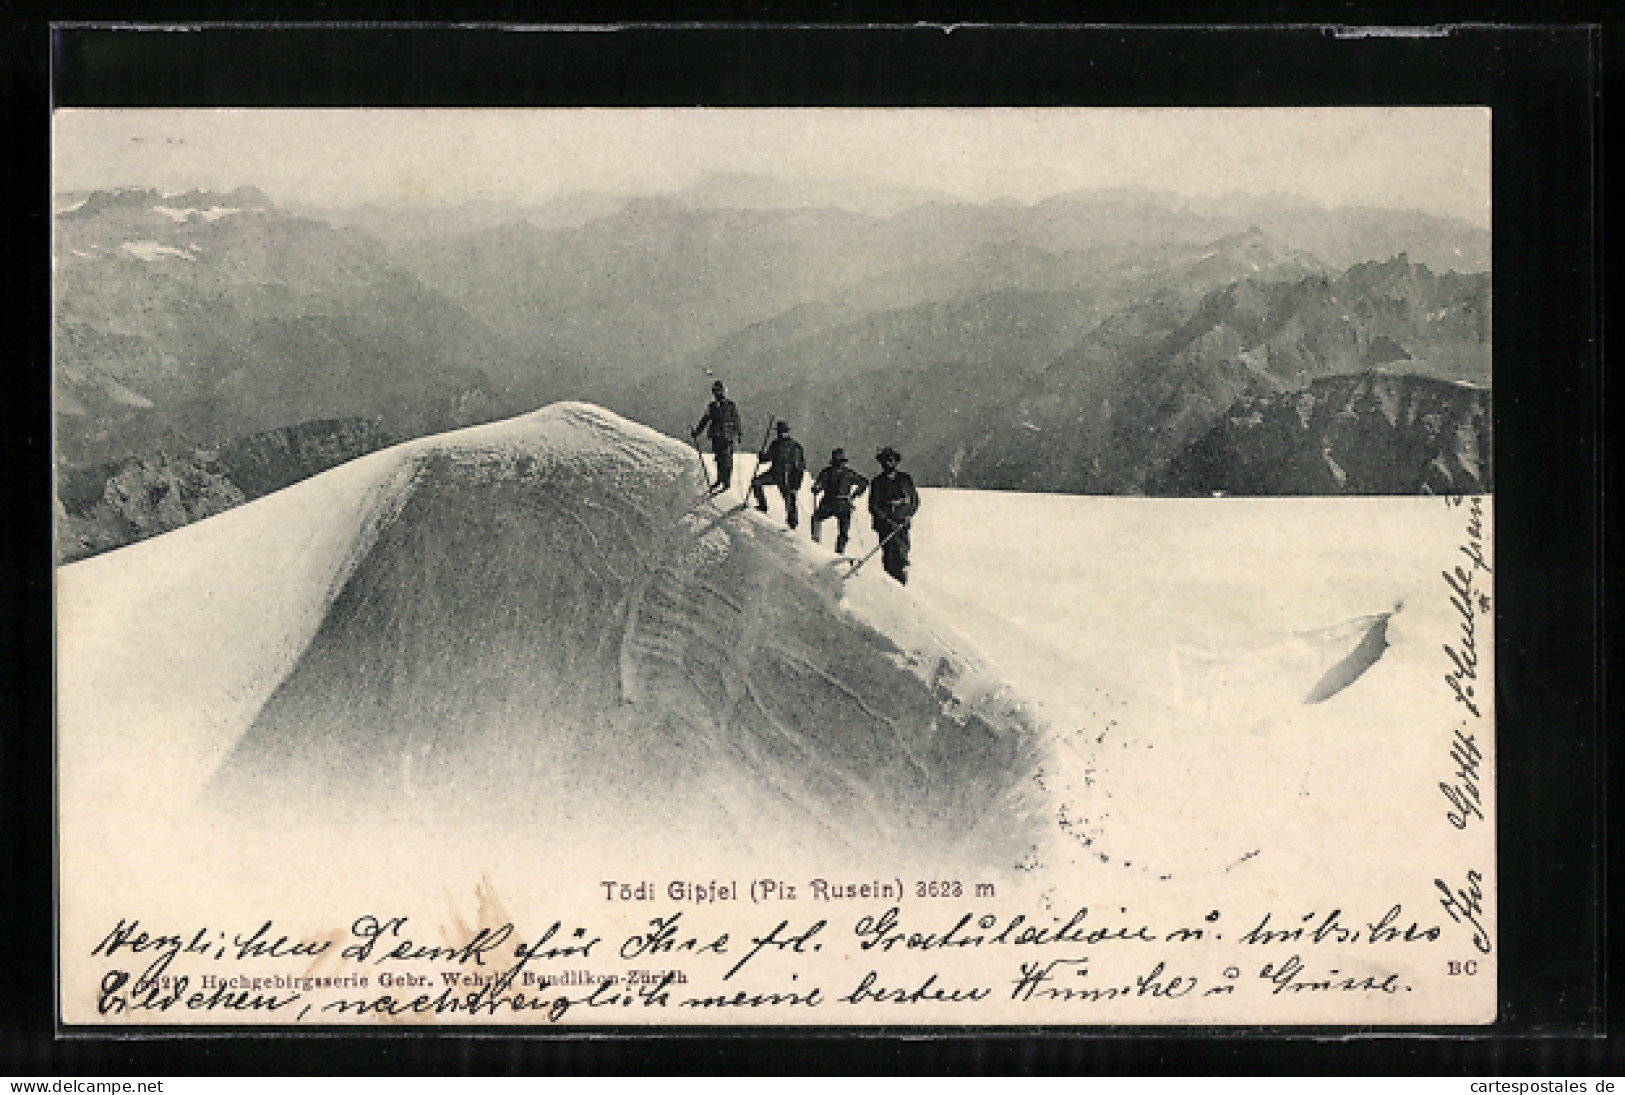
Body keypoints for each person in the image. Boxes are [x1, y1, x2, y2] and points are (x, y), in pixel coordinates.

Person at [867, 446, 920, 584]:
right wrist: (888, 521)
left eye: (891, 460)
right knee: (889, 558)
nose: (889, 463)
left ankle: (903, 586)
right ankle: (891, 588)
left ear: (896, 462)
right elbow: (873, 506)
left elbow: (914, 501)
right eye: (885, 461)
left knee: (902, 556)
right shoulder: (877, 482)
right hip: (886, 527)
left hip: (902, 524)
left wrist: (908, 515)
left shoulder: (905, 479)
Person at [809, 448, 868, 555]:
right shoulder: (848, 473)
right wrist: (854, 495)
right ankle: (839, 551)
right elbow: (864, 482)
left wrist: (816, 488)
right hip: (841, 503)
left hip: (831, 502)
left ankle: (816, 542)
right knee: (843, 530)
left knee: (817, 518)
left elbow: (819, 484)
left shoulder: (827, 472)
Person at [751, 421, 807, 529]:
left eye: (783, 432)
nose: (781, 434)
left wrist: (796, 483)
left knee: (789, 498)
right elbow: (768, 458)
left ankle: (792, 522)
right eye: (780, 432)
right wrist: (762, 457)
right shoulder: (775, 444)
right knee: (756, 482)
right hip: (774, 473)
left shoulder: (795, 447)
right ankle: (762, 505)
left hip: (788, 476)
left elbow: (800, 467)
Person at [690, 380, 742, 492]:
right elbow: (705, 420)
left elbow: (736, 420)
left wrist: (738, 433)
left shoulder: (730, 405)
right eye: (717, 391)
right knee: (719, 458)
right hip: (717, 436)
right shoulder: (712, 406)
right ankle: (720, 479)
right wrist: (697, 432)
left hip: (727, 437)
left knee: (726, 459)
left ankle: (726, 481)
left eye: (720, 391)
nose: (719, 394)